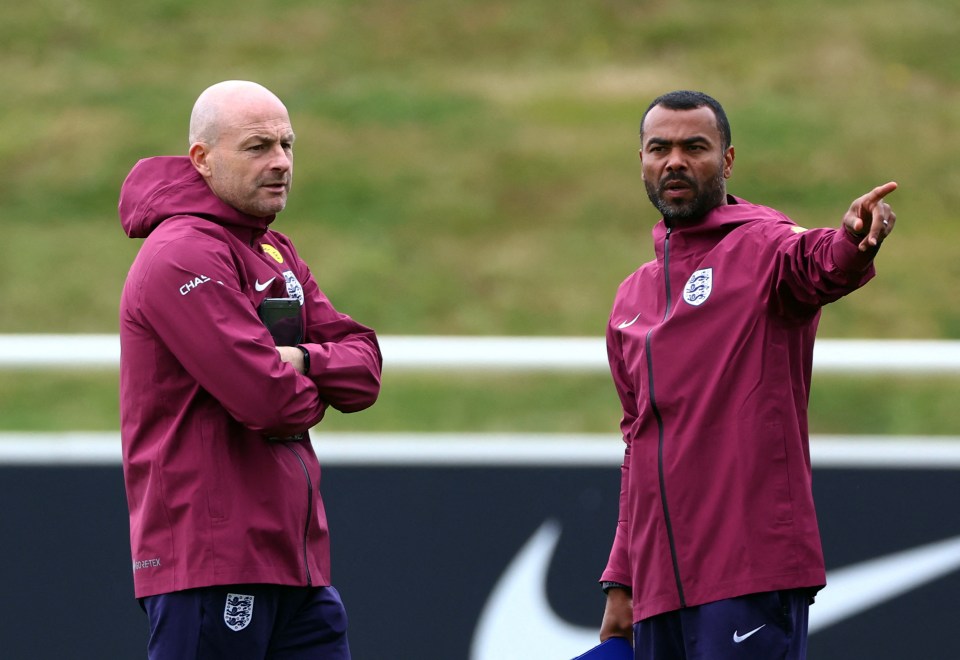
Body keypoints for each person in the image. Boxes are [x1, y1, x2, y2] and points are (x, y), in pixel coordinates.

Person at [597, 90, 897, 659]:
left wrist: (853, 243)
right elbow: (638, 445)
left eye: (695, 147)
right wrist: (623, 579)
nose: (674, 161)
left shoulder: (763, 246)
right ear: (641, 160)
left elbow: (818, 263)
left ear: (727, 160)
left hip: (749, 573)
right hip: (659, 588)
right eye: (658, 148)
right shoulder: (630, 298)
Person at [118, 80, 382, 659]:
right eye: (259, 147)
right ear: (202, 159)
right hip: (211, 561)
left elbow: (365, 368)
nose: (282, 162)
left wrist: (305, 359)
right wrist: (312, 387)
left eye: (288, 145)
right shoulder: (181, 253)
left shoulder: (274, 251)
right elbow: (271, 402)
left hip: (297, 564)